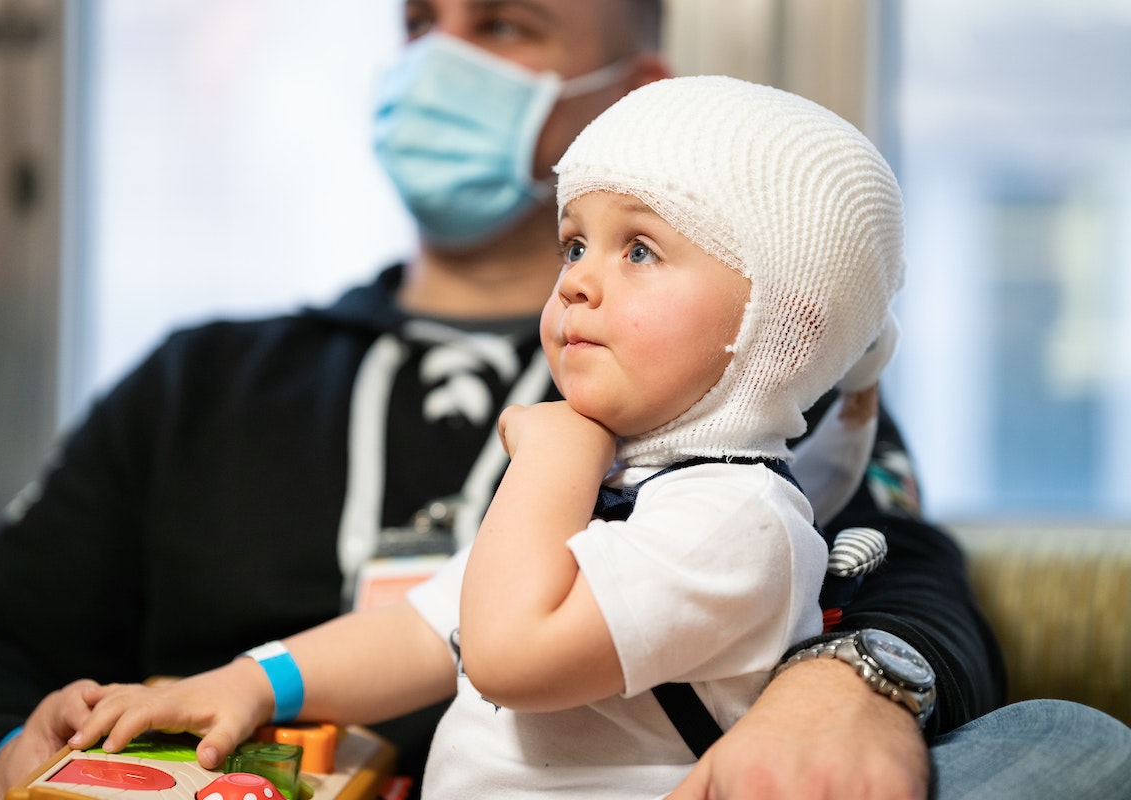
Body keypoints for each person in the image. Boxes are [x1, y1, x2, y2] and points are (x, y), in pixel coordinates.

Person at [0, 0, 1126, 798]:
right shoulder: (198, 377)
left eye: (503, 21)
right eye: (418, 22)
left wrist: (860, 680)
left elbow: (895, 561)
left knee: (1066, 749)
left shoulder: (752, 434)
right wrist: (56, 740)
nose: (434, 57)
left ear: (639, 93)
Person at [66, 74, 908, 799]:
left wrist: (547, 464)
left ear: (785, 330)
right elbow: (434, 630)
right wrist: (249, 683)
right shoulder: (627, 482)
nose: (576, 280)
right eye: (574, 242)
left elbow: (508, 655)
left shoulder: (738, 521)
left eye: (640, 249)